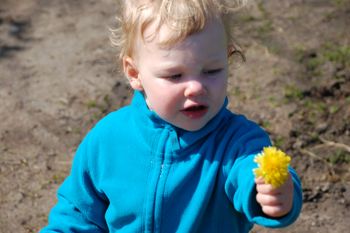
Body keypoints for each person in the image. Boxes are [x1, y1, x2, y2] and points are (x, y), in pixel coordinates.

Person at [41, 0, 302, 232]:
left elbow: (251, 169)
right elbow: (79, 212)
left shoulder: (237, 143)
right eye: (174, 76)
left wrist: (270, 191)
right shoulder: (108, 139)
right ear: (134, 74)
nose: (196, 87)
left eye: (212, 70)